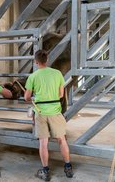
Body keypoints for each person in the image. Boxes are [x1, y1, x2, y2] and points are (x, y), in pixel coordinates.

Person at [24, 50, 73, 181]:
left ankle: (45, 171)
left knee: (43, 143)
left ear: (35, 61)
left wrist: (37, 97)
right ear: (47, 60)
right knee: (62, 140)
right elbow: (61, 95)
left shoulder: (33, 76)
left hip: (40, 112)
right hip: (55, 112)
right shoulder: (57, 74)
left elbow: (27, 97)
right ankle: (68, 167)